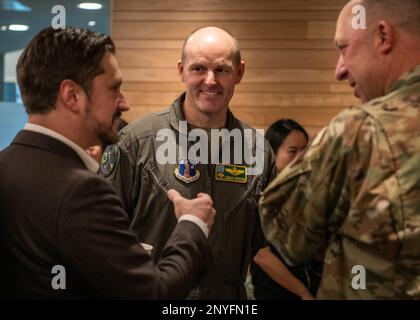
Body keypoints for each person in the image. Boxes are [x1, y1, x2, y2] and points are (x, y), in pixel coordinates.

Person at [0, 26, 216, 299]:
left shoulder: (5, 165)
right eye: (114, 88)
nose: (123, 103)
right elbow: (152, 294)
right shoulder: (82, 191)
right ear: (72, 96)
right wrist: (192, 224)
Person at [259, 0, 420, 299]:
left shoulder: (360, 132)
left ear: (383, 37)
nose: (339, 70)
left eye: (344, 48)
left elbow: (284, 231)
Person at [102, 26, 276, 299]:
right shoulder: (138, 141)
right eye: (198, 69)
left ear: (239, 72)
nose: (210, 80)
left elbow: (264, 242)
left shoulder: (258, 151)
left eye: (222, 70)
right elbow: (104, 234)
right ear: (182, 70)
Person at [251, 119, 322, 300]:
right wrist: (303, 293)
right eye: (292, 151)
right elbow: (262, 256)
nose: (301, 156)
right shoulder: (259, 194)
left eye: (304, 149)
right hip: (275, 293)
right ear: (273, 153)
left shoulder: (309, 191)